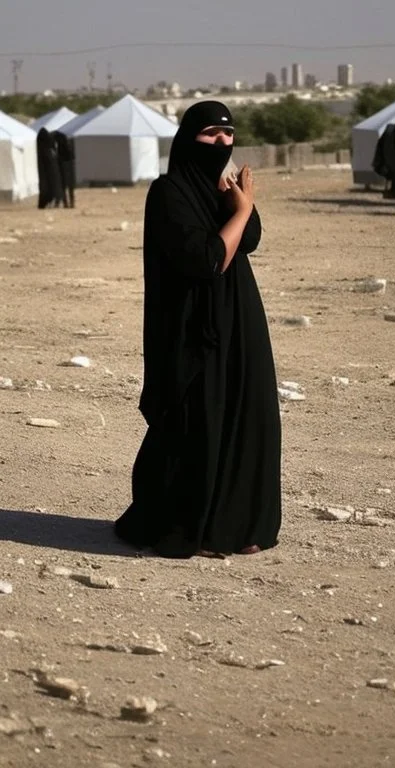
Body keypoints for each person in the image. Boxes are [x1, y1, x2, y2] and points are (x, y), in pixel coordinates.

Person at [115, 101, 282, 558]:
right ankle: (192, 527)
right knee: (198, 423)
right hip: (192, 327)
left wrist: (241, 207)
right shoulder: (168, 193)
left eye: (229, 134)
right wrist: (242, 208)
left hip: (239, 321)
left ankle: (239, 524)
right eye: (211, 134)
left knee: (248, 416)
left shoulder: (220, 189)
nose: (223, 143)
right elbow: (208, 258)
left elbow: (248, 239)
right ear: (189, 137)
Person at [53, 131, 76, 208]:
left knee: (63, 185)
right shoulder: (67, 144)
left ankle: (65, 203)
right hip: (68, 163)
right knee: (70, 185)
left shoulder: (60, 145)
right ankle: (71, 203)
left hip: (63, 163)